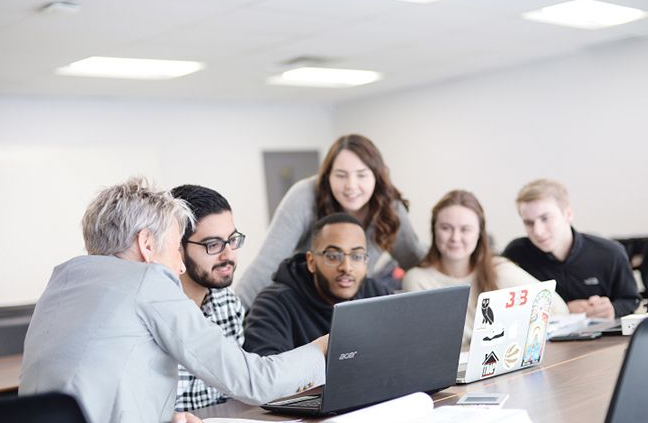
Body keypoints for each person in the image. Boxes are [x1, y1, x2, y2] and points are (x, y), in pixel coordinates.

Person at [19, 178, 327, 423]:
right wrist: (321, 349)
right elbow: (252, 382)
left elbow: (105, 391)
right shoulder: (147, 280)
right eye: (174, 247)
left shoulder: (62, 282)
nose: (180, 266)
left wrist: (171, 419)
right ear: (146, 244)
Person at [235, 134, 426, 308]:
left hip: (351, 304)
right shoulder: (304, 196)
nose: (351, 186)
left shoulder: (389, 208)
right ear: (327, 176)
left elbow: (416, 259)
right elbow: (267, 265)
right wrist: (232, 315)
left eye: (361, 175)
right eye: (341, 175)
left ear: (376, 176)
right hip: (303, 302)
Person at [402, 190, 569, 347]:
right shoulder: (417, 280)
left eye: (465, 229)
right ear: (434, 230)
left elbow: (557, 308)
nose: (455, 238)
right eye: (446, 228)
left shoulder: (499, 269)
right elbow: (430, 342)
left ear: (479, 234)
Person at [243, 213, 390, 356]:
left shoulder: (378, 295)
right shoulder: (274, 304)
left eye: (357, 256)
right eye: (333, 256)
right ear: (311, 262)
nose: (346, 267)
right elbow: (266, 374)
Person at [503, 179, 639, 319]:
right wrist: (563, 310)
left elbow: (631, 300)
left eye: (545, 218)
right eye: (529, 223)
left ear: (568, 214)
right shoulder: (515, 255)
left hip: (603, 338)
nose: (538, 231)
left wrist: (612, 309)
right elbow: (506, 309)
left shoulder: (610, 253)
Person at [170, 185, 245, 411]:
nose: (228, 254)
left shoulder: (229, 305)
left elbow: (236, 390)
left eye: (232, 240)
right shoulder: (155, 313)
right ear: (177, 249)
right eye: (213, 245)